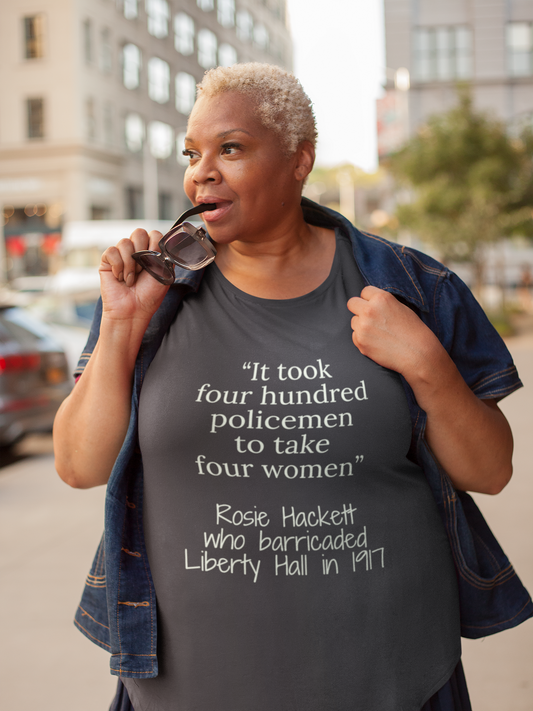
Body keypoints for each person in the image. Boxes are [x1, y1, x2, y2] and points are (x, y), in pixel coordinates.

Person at [53, 63, 532, 711]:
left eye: (231, 148)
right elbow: (80, 464)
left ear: (299, 159)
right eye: (192, 153)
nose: (202, 171)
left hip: (394, 681)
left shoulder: (412, 288)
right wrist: (121, 322)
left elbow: (491, 468)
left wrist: (426, 362)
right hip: (185, 691)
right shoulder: (154, 292)